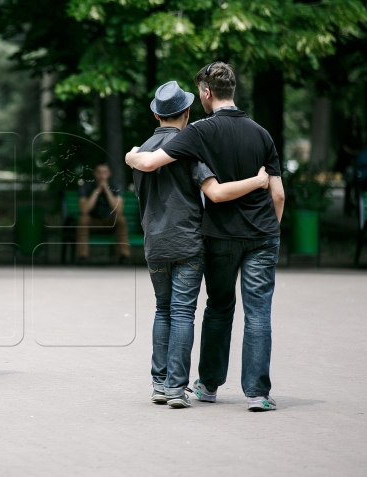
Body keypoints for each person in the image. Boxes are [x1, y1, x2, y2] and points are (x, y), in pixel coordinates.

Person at [126, 63, 285, 412]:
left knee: (214, 308)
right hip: (256, 235)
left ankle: (205, 385)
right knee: (257, 313)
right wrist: (270, 229)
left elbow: (150, 164)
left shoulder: (198, 132)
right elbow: (279, 195)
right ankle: (257, 394)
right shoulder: (262, 133)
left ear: (206, 93)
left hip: (214, 237)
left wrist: (130, 155)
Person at [76, 163, 131, 264]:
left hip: (110, 221)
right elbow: (85, 209)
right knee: (83, 219)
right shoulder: (87, 186)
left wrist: (107, 191)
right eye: (99, 173)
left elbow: (118, 209)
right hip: (93, 221)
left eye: (105, 173)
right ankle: (82, 256)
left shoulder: (115, 186)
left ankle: (124, 256)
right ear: (94, 174)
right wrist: (96, 191)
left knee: (121, 219)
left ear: (109, 174)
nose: (102, 176)